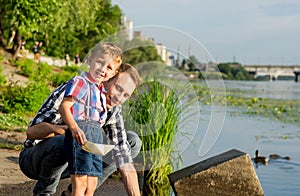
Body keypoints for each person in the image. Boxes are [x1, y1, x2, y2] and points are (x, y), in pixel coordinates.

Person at [19, 61, 142, 195]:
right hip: (35, 160)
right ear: (106, 79)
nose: (118, 98)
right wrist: (68, 129)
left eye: (126, 95)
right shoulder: (76, 90)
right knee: (67, 139)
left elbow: (124, 161)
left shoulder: (113, 109)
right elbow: (31, 133)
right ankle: (44, 192)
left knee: (131, 141)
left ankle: (74, 192)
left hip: (75, 162)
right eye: (118, 88)